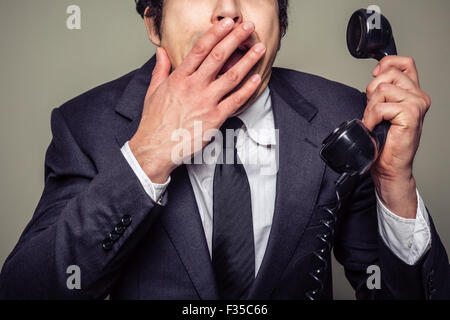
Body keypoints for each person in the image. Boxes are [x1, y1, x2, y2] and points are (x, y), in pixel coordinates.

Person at [0, 0, 448, 300]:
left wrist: (394, 185)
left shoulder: (346, 115)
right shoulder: (86, 124)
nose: (229, 12)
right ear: (153, 23)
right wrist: (149, 154)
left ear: (282, 20)